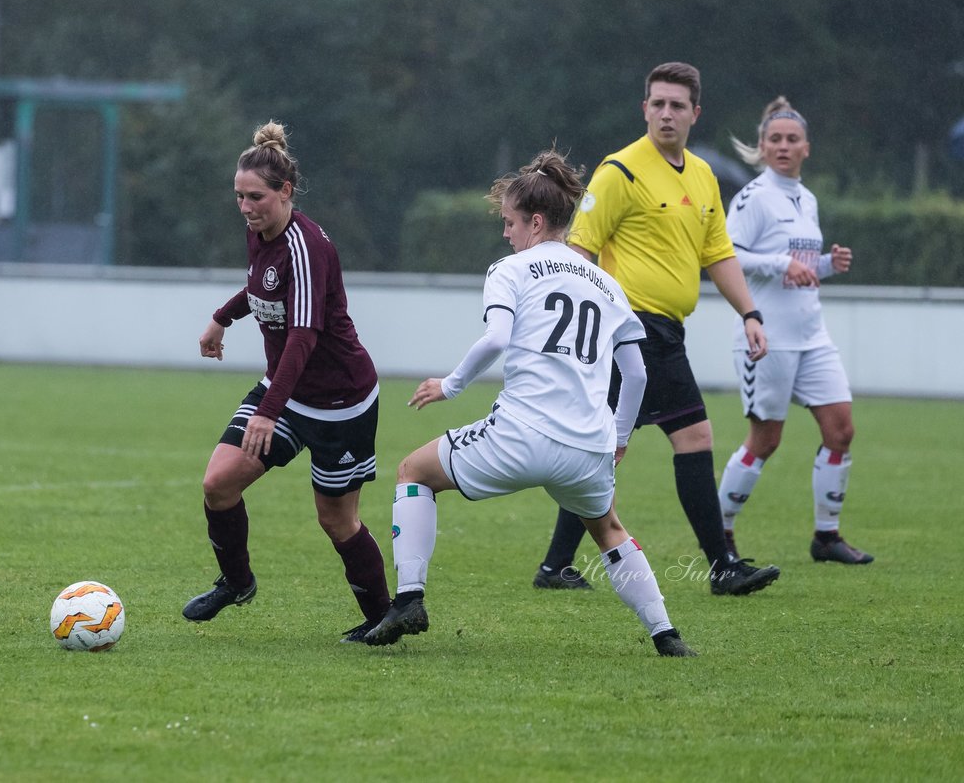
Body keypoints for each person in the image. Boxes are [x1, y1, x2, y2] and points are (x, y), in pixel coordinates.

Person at [363, 149, 694, 657]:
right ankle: (666, 635)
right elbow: (637, 372)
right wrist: (620, 438)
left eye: (510, 222)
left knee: (412, 472)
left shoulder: (511, 270)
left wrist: (450, 385)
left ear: (536, 222)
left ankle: (408, 599)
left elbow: (496, 340)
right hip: (587, 446)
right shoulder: (608, 284)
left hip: (521, 433)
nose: (506, 233)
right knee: (607, 528)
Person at [533, 62, 781, 596]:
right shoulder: (620, 172)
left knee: (598, 447)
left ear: (695, 112)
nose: (666, 113)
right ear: (644, 108)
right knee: (693, 437)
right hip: (631, 330)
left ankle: (555, 565)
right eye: (657, 103)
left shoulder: (701, 175)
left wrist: (751, 313)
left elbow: (718, 253)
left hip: (666, 331)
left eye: (677, 105)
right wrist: (587, 325)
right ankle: (722, 566)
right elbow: (578, 252)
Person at [183, 121, 392, 642]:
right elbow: (259, 287)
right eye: (238, 197)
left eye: (256, 197)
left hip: (341, 401)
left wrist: (268, 410)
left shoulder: (308, 247)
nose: (246, 207)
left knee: (337, 521)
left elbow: (303, 335)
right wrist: (223, 316)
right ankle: (237, 582)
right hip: (287, 390)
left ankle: (382, 617)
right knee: (218, 483)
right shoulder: (260, 234)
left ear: (286, 192)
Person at [717, 97, 873, 564]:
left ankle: (826, 537)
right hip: (768, 337)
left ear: (807, 148)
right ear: (762, 148)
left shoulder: (807, 199)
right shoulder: (752, 197)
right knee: (765, 440)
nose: (783, 146)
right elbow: (729, 255)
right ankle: (720, 535)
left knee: (841, 429)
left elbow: (798, 271)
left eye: (792, 139)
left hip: (812, 334)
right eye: (775, 140)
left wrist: (826, 265)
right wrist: (781, 261)